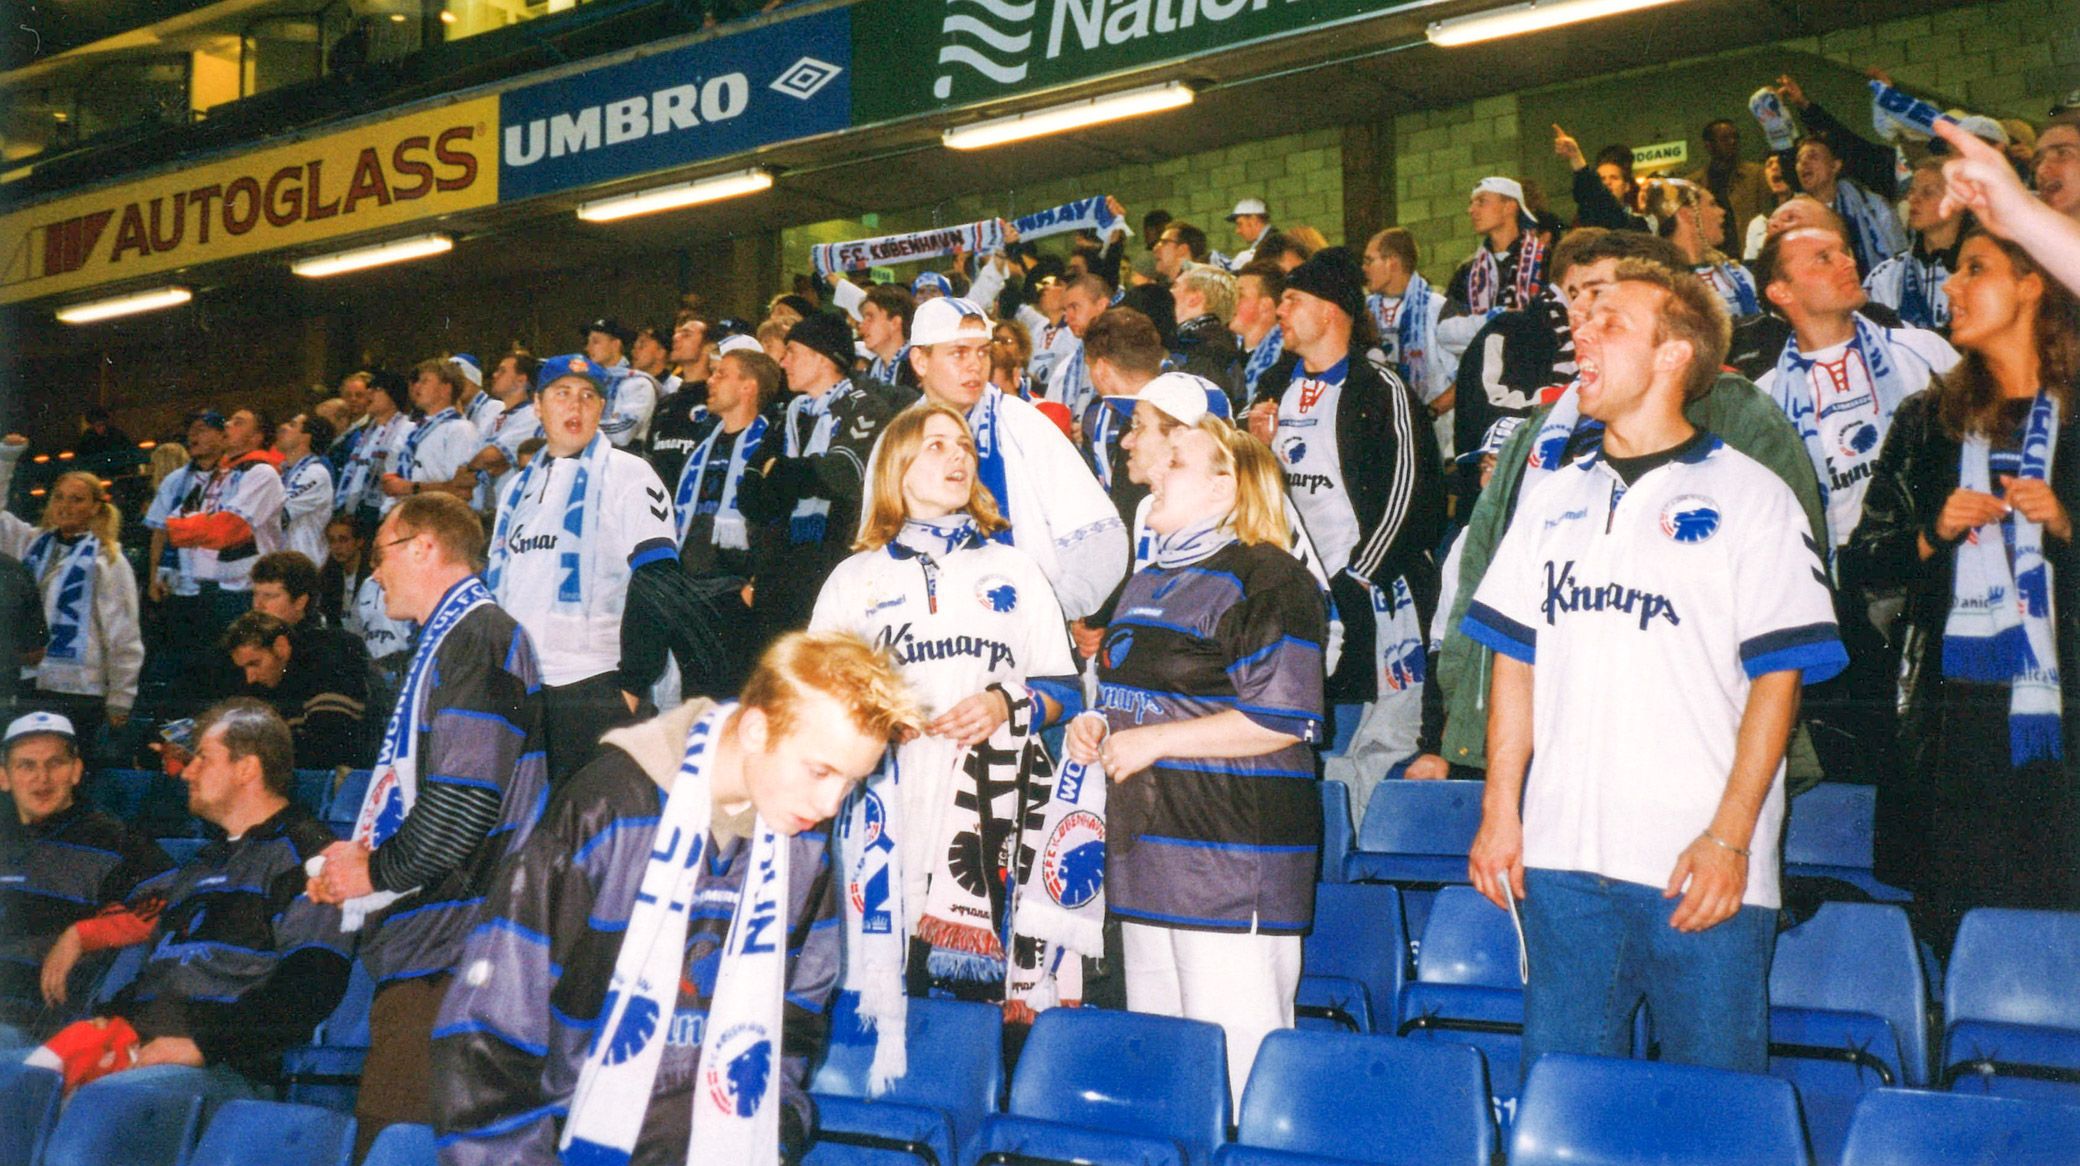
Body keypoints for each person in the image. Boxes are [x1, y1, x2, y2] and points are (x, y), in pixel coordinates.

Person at [1462, 260, 1846, 1078]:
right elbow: (1515, 663)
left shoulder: (1754, 498)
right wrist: (1501, 809)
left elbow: (1779, 682)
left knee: (1715, 1117)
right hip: (1563, 867)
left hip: (1698, 871)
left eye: (1610, 324)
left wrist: (1731, 839)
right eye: (1582, 320)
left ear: (1674, 355)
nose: (1582, 335)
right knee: (1563, 1109)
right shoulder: (1552, 495)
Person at [429, 631, 923, 1165]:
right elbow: (485, 1037)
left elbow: (793, 1029)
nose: (830, 804)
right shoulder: (606, 810)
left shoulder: (805, 850)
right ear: (757, 730)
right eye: (821, 770)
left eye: (851, 783)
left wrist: (773, 1138)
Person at [1430, 241, 1828, 785]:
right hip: (1543, 743)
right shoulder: (1538, 431)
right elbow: (1479, 581)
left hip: (1693, 748)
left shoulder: (1738, 416)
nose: (1580, 319)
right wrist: (1458, 719)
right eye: (1573, 298)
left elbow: (1784, 614)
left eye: (1601, 301)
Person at [1068, 418, 1327, 1100]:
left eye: (1175, 459)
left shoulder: (1268, 576)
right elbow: (1133, 696)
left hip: (1231, 862)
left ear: (1227, 485)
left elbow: (1284, 718)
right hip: (1147, 858)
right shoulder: (1147, 578)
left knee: (1239, 1075)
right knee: (1167, 1075)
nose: (1153, 468)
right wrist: (1094, 723)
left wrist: (1155, 741)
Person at [1842, 230, 2080, 953]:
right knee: (1965, 947)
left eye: (1975, 269)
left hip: (2064, 736)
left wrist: (2068, 528)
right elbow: (1862, 565)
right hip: (1957, 740)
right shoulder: (1926, 419)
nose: (1951, 286)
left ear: (2034, 282)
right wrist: (1928, 535)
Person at [298, 492, 547, 1156]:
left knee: (395, 1145)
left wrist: (372, 872)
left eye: (380, 556)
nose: (374, 574)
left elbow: (462, 807)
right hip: (437, 949)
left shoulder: (479, 637)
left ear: (424, 548)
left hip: (453, 956)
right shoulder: (454, 641)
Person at [813, 405, 1081, 1006]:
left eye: (963, 445)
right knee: (885, 997)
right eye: (936, 446)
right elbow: (816, 703)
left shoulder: (1016, 570)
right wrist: (872, 716)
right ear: (896, 470)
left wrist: (1005, 705)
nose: (958, 455)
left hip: (993, 814)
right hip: (890, 810)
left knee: (979, 1006)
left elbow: (1066, 691)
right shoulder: (852, 580)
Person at [28, 700, 350, 1095]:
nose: (186, 773)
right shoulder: (200, 866)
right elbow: (162, 976)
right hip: (145, 1051)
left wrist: (202, 1045)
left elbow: (311, 984)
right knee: (25, 1085)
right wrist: (109, 1018)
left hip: (226, 1069)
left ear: (247, 768)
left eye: (202, 759)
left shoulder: (309, 856)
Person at [1249, 247, 1445, 809]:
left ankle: (1359, 858)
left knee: (1377, 740)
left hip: (1374, 596)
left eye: (1292, 300)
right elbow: (1249, 493)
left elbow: (1416, 494)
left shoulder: (1381, 388)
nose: (1278, 310)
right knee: (1314, 736)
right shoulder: (1271, 386)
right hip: (1299, 596)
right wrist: (1256, 449)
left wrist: (1360, 574)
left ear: (1331, 311)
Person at [487, 353, 706, 784]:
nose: (576, 406)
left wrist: (631, 685)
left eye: (589, 396)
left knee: (591, 837)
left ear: (602, 409)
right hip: (524, 689)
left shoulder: (630, 473)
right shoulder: (517, 488)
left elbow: (658, 579)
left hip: (593, 686)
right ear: (538, 405)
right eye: (562, 394)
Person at [896, 296, 1128, 622]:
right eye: (959, 353)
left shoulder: (1023, 425)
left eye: (982, 352)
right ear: (920, 361)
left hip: (1020, 639)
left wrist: (1042, 616)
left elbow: (1101, 539)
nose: (975, 365)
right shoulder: (898, 438)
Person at [1754, 226, 1960, 549]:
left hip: (1935, 553)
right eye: (1823, 258)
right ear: (1782, 292)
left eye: (1844, 251)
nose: (1847, 263)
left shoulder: (1924, 351)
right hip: (1841, 576)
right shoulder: (1766, 399)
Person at [738, 312, 920, 640]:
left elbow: (843, 475)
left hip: (834, 567)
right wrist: (792, 476)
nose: (782, 361)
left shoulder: (865, 407)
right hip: (780, 571)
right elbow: (752, 493)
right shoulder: (789, 414)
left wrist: (783, 473)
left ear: (820, 358)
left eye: (791, 351)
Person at [0, 712, 169, 1032]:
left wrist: (81, 935)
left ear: (76, 771)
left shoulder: (116, 840)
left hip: (37, 1022)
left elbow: (174, 907)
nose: (42, 778)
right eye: (26, 765)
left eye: (56, 763)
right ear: (4, 777)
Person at [0, 442, 143, 753]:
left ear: (95, 507)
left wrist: (121, 697)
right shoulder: (30, 542)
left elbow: (123, 635)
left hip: (81, 688)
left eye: (77, 500)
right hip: (30, 680)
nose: (65, 506)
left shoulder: (109, 560)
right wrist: (6, 459)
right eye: (59, 498)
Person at [669, 347, 786, 700]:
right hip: (691, 588)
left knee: (736, 700)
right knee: (692, 703)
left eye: (722, 374)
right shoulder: (703, 445)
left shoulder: (773, 442)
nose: (711, 379)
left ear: (748, 387)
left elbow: (778, 524)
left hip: (735, 595)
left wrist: (756, 583)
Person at [222, 611, 374, 770]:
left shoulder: (325, 668)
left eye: (254, 663)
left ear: (281, 647)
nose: (250, 678)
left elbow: (326, 752)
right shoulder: (269, 681)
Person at [1363, 227, 1456, 448]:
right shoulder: (1363, 312)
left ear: (1392, 262)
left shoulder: (1437, 308)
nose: (1364, 269)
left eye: (1369, 261)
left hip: (1434, 439)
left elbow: (1466, 377)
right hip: (1383, 435)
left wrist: (1428, 413)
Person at [1864, 158, 1968, 333]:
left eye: (1928, 192)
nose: (1913, 199)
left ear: (1960, 200)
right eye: (1911, 191)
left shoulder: (1987, 269)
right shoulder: (1886, 276)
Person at [1639, 178, 1762, 321]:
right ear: (1687, 214)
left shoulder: (1736, 273)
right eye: (1712, 204)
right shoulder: (1660, 284)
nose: (1721, 212)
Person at [1445, 177, 1549, 320]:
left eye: (1481, 202)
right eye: (1471, 203)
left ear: (1509, 207)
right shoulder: (1466, 272)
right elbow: (1447, 325)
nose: (1470, 210)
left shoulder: (1545, 259)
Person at [381, 359, 478, 509]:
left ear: (446, 389)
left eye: (425, 381)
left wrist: (411, 488)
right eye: (418, 381)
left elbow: (461, 489)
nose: (417, 386)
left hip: (437, 516)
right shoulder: (412, 429)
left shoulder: (460, 429)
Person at [335, 372, 414, 523]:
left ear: (393, 395)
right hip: (358, 511)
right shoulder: (368, 433)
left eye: (376, 389)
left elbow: (402, 474)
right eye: (369, 388)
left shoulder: (408, 430)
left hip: (385, 512)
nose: (369, 393)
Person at [1685, 118, 1775, 246]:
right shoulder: (1694, 184)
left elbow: (1768, 214)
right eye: (1724, 138)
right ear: (1709, 145)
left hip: (1749, 252)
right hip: (1713, 255)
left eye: (1735, 137)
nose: (1732, 142)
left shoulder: (1756, 174)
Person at [1039, 274, 1114, 427]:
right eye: (1065, 310)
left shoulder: (1126, 360)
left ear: (1101, 305)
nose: (1067, 318)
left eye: (1074, 307)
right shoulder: (1064, 370)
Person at [1169, 262, 1245, 410]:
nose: (1169, 292)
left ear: (1194, 298)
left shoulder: (1205, 353)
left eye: (1175, 286)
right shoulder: (1211, 345)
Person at [581, 317, 663, 449]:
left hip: (626, 461)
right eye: (588, 342)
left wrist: (580, 426)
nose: (587, 348)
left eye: (595, 342)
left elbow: (623, 435)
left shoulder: (638, 383)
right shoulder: (588, 383)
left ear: (615, 345)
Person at [274, 411, 337, 566]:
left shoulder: (315, 473)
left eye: (292, 425)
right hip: (283, 563)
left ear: (306, 437)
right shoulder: (284, 471)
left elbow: (278, 516)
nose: (283, 427)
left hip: (303, 567)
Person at [1233, 261, 1287, 402]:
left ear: (1265, 305)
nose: (1231, 301)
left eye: (1240, 295)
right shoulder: (1224, 350)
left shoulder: (1286, 359)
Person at [858, 283, 920, 389]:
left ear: (895, 323)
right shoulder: (871, 369)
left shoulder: (918, 367)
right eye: (863, 319)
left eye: (870, 318)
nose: (861, 325)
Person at [1225, 198, 1272, 270]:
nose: (1237, 231)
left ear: (1254, 221)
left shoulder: (1272, 245)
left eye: (1240, 224)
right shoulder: (1267, 242)